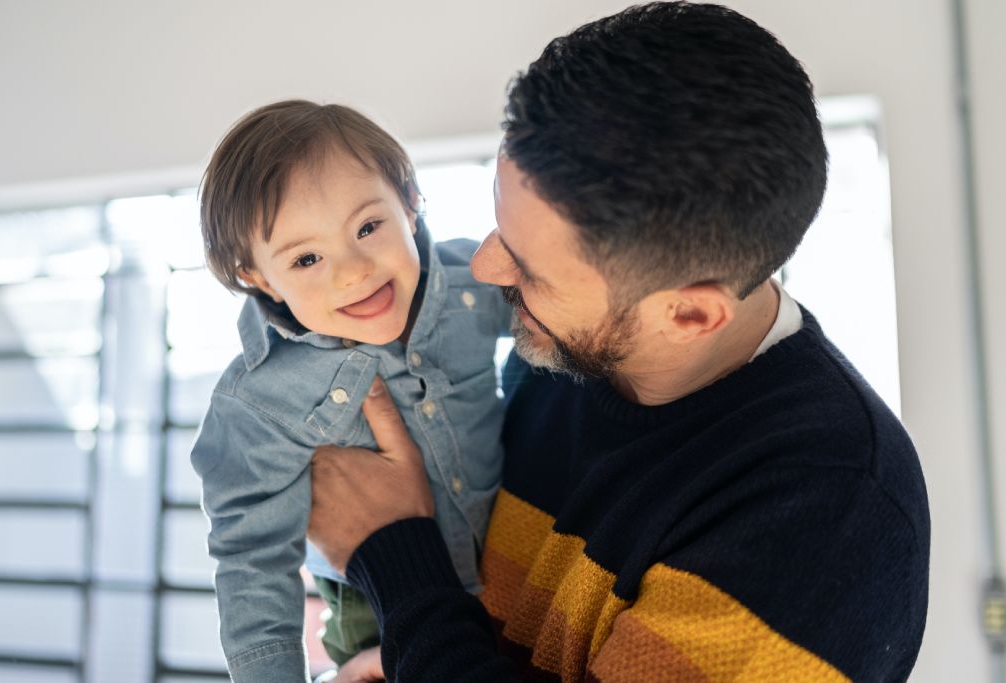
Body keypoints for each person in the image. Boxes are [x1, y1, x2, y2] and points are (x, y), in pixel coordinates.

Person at [307, 3, 931, 682]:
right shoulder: (560, 351)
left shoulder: (830, 520)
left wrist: (393, 553)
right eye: (500, 225)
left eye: (530, 266)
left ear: (689, 315)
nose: (485, 268)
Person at [191, 100, 509, 681]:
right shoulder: (258, 404)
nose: (354, 271)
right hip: (373, 614)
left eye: (367, 227)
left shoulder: (472, 284)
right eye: (307, 258)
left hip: (519, 567)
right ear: (261, 279)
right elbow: (252, 561)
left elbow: (572, 307)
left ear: (410, 205)